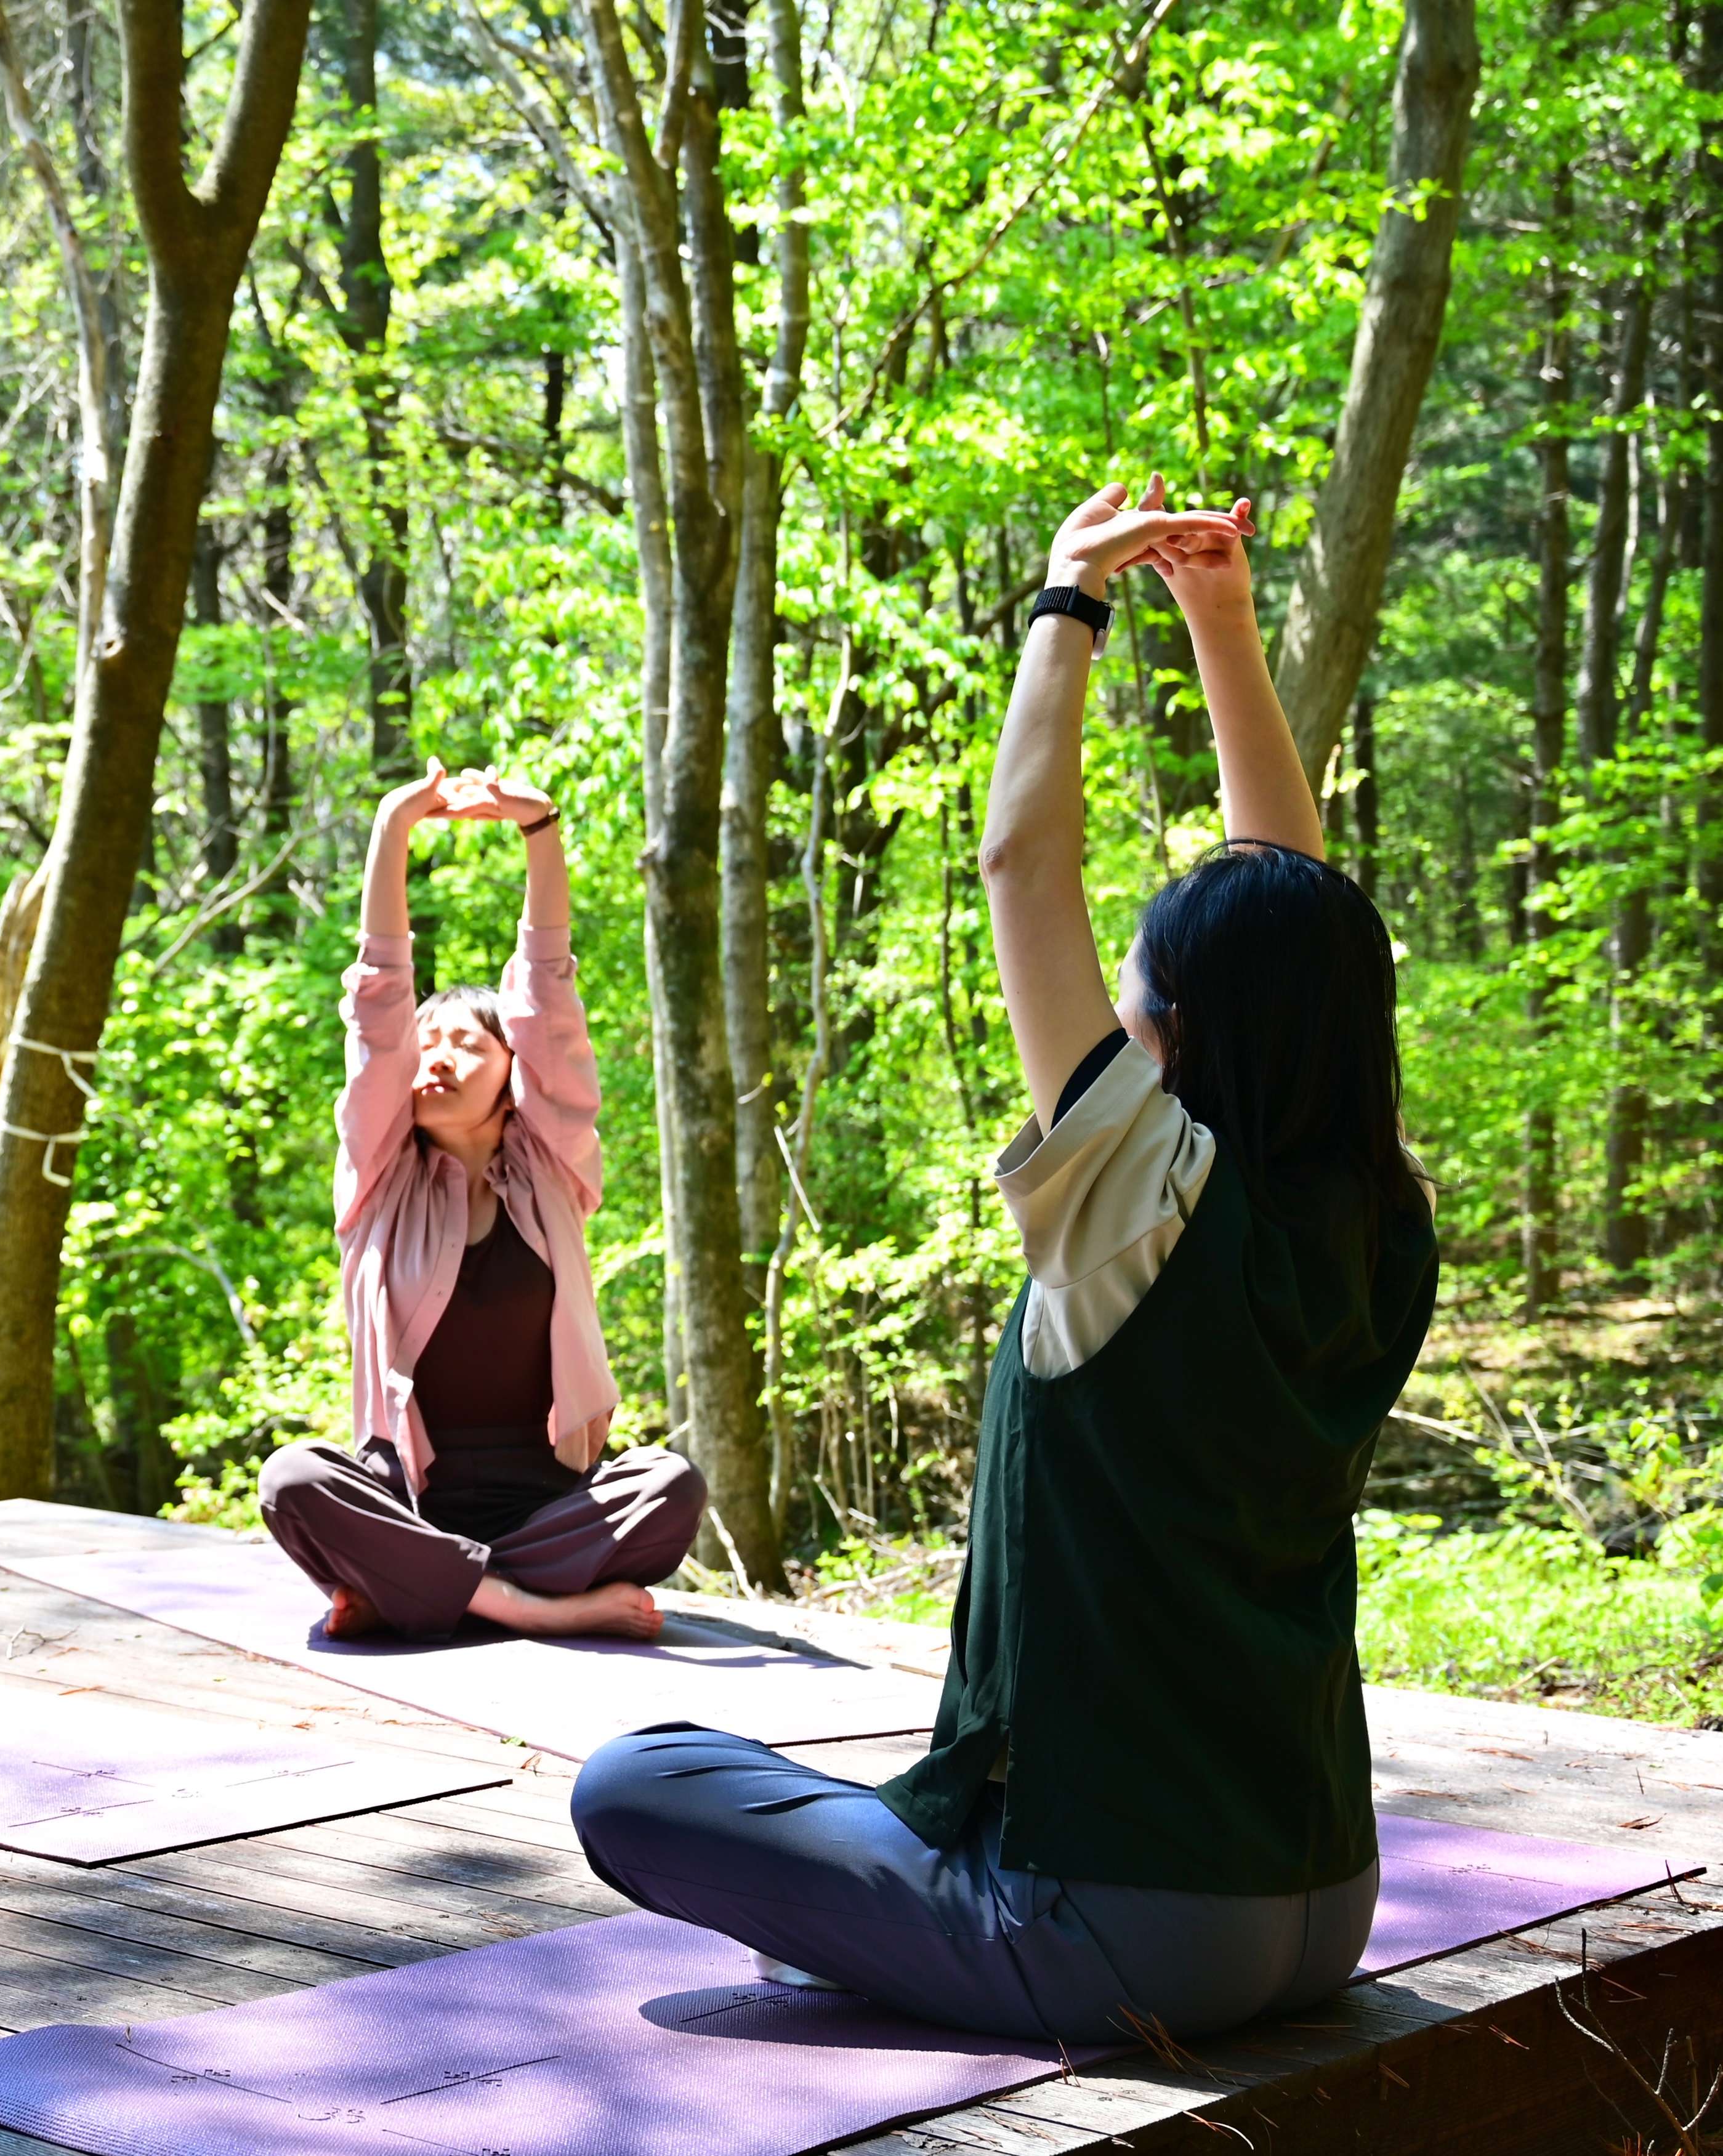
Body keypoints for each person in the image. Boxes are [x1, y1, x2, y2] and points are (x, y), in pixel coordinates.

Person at [568, 480, 1439, 2043]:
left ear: (1175, 1032)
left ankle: (912, 1940)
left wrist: (1069, 602)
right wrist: (1223, 621)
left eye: (1137, 986)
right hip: (1321, 1892)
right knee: (824, 1809)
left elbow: (1020, 861)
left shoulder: (1138, 1197)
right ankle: (904, 1923)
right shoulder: (1375, 1215)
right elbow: (1293, 926)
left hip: (1121, 1928)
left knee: (637, 1782)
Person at [257, 760, 708, 1643]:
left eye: (465, 1042)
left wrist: (541, 832)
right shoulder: (376, 1179)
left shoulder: (551, 1171)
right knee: (293, 1480)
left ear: (513, 1076)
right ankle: (526, 1604)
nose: (434, 1056)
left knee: (670, 1485)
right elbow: (378, 1004)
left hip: (548, 1502)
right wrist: (394, 824)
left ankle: (424, 1587)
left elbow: (547, 998)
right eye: (424, 1043)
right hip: (408, 1498)